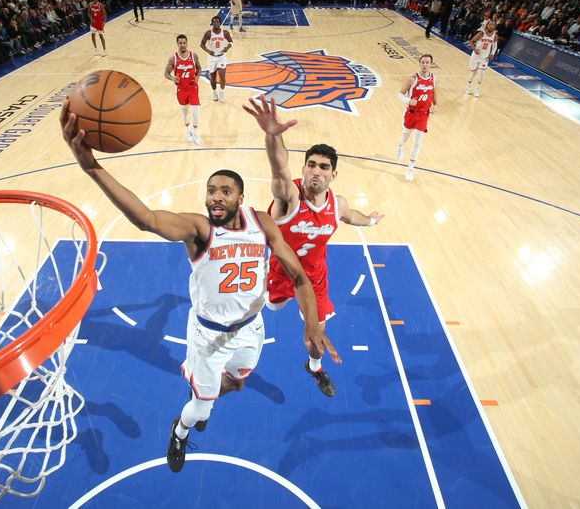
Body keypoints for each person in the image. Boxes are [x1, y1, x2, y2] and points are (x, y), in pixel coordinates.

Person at [60, 99, 338, 474]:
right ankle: (179, 429)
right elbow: (146, 219)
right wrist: (91, 165)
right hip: (207, 336)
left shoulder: (262, 224)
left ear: (240, 197)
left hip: (251, 330)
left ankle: (205, 389)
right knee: (202, 407)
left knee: (237, 386)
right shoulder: (198, 230)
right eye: (211, 191)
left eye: (225, 191)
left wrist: (310, 321)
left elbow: (300, 276)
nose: (216, 197)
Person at [242, 94, 382, 397]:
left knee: (315, 338)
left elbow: (352, 216)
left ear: (333, 174)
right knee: (270, 308)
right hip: (280, 273)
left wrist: (370, 220)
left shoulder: (337, 205)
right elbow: (279, 170)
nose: (316, 171)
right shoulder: (288, 197)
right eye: (311, 165)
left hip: (315, 279)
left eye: (323, 167)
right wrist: (272, 136)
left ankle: (315, 368)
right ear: (304, 169)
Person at [396, 54, 437, 181]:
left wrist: (435, 104)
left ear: (431, 64)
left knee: (417, 142)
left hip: (424, 114)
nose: (425, 64)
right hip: (411, 113)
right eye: (423, 62)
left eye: (427, 62)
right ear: (420, 64)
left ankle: (410, 168)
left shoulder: (434, 78)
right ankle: (399, 147)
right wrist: (408, 101)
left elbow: (434, 92)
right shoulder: (413, 78)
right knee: (405, 137)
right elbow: (400, 94)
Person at [165, 34, 203, 145]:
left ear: (187, 43)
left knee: (195, 113)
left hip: (193, 89)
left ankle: (195, 131)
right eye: (180, 43)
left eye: (184, 43)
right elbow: (166, 73)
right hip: (181, 90)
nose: (182, 45)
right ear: (177, 44)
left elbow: (199, 68)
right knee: (185, 113)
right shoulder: (173, 58)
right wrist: (172, 78)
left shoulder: (193, 56)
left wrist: (197, 77)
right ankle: (188, 130)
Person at [200, 16, 233, 103]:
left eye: (218, 22)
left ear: (220, 23)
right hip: (212, 58)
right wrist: (208, 51)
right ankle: (214, 92)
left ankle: (221, 91)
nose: (216, 23)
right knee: (213, 79)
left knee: (222, 76)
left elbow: (231, 42)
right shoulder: (208, 33)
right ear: (212, 23)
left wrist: (227, 48)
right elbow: (202, 44)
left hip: (221, 57)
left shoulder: (225, 33)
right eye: (214, 22)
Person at [466, 19, 497, 97]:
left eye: (493, 25)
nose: (491, 26)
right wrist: (474, 49)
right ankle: (468, 86)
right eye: (490, 25)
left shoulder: (495, 36)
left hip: (485, 58)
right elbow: (471, 42)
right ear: (487, 25)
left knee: (481, 74)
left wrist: (492, 53)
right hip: (476, 56)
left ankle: (477, 89)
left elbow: (494, 46)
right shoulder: (481, 34)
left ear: (494, 26)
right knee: (473, 73)